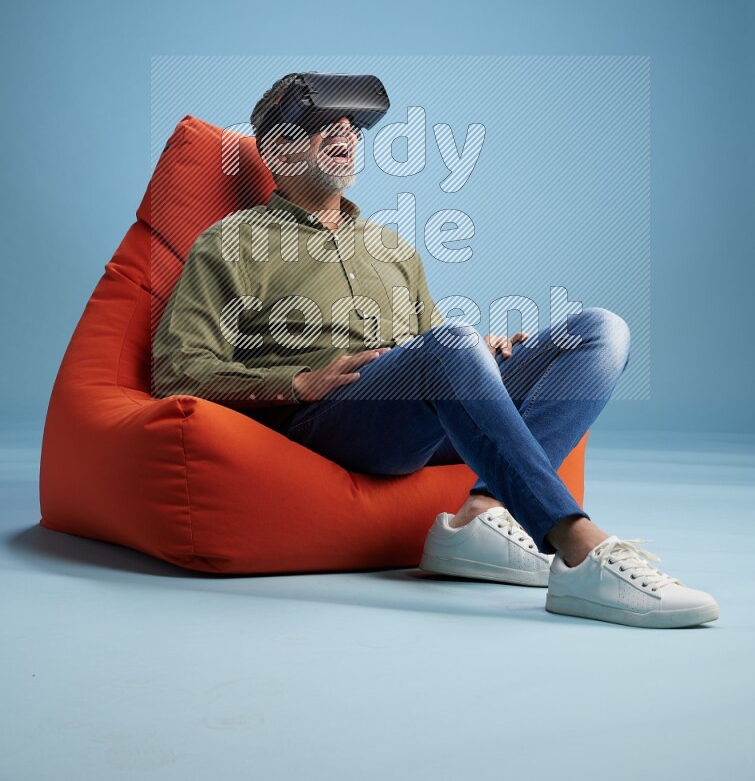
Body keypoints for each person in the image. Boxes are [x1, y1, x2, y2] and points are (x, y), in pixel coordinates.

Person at [152, 72, 719, 629]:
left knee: (599, 330)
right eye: (325, 124)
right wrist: (296, 383)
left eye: (354, 127)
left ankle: (481, 512)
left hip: (414, 419)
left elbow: (429, 349)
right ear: (277, 148)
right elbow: (178, 373)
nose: (346, 136)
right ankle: (579, 549)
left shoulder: (391, 246)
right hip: (326, 421)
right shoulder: (230, 243)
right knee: (452, 343)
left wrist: (481, 355)